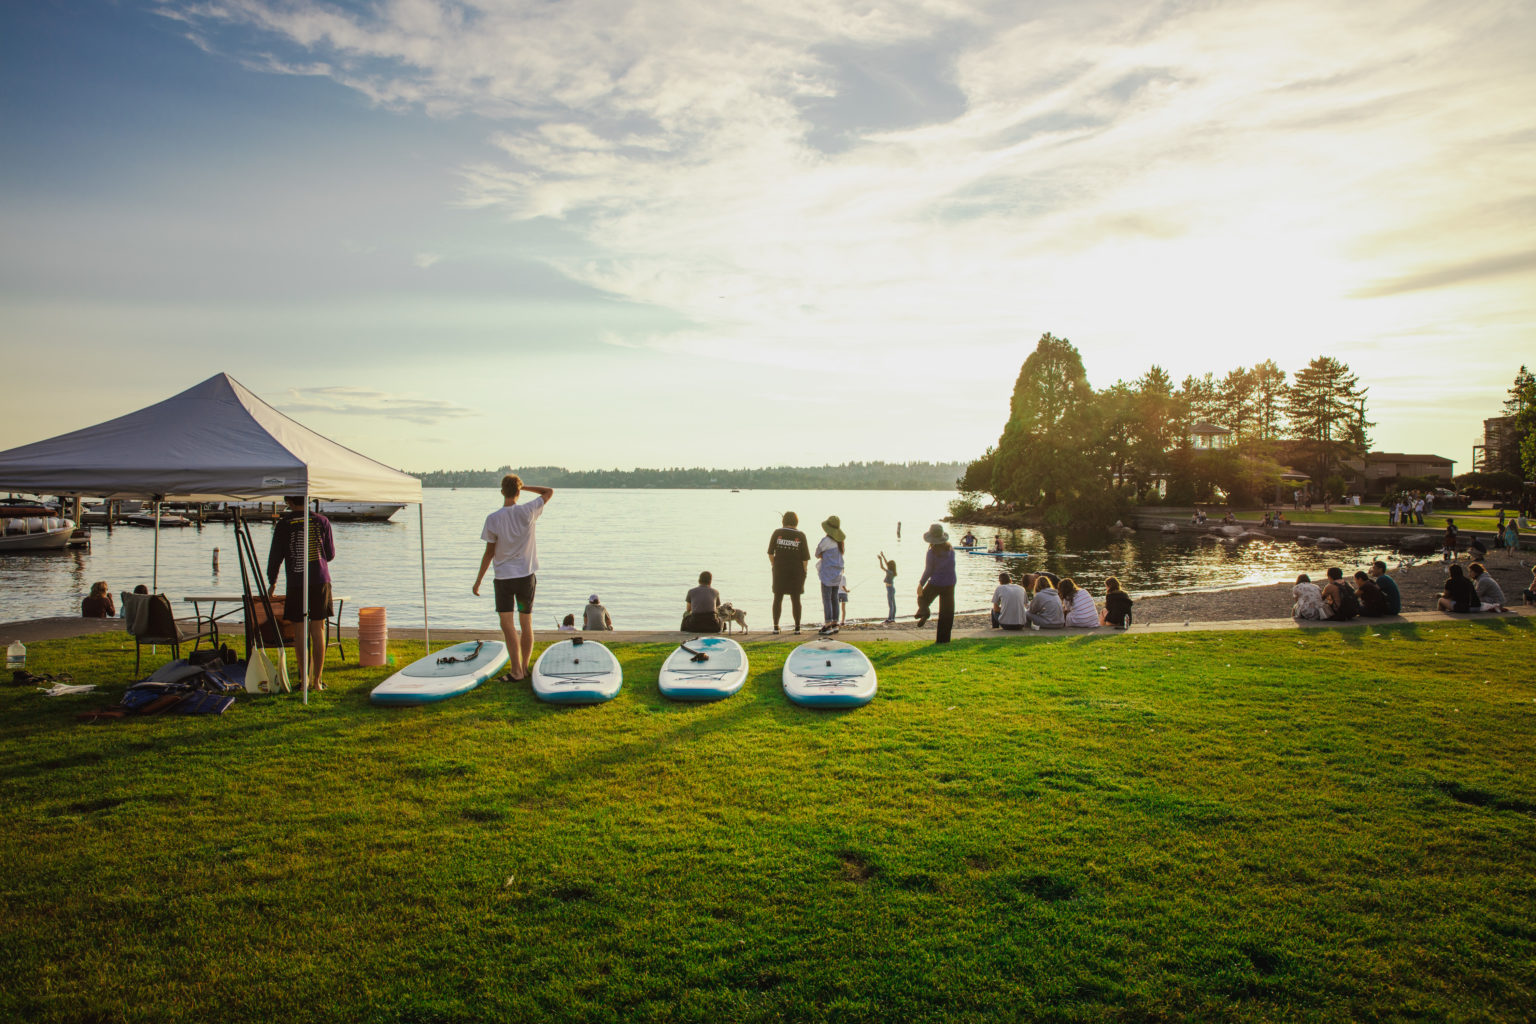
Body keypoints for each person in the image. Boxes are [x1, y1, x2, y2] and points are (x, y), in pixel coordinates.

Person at [473, 474, 554, 683]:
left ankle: (517, 670)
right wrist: (524, 487)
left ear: (502, 492)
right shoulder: (528, 510)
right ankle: (523, 669)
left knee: (507, 625)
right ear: (518, 492)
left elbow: (489, 552)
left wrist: (478, 580)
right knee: (526, 623)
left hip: (504, 579)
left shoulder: (493, 518)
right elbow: (548, 491)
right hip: (526, 576)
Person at [267, 495, 336, 691]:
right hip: (320, 580)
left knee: (299, 630)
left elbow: (275, 555)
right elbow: (330, 554)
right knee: (318, 628)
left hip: (296, 581)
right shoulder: (322, 521)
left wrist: (272, 581)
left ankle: (304, 679)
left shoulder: (284, 524)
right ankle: (317, 681)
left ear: (289, 501)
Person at [767, 511, 810, 634]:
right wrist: (805, 571)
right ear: (796, 522)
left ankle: (776, 626)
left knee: (777, 597)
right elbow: (805, 558)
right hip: (796, 571)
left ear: (783, 521)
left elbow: (770, 553)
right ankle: (797, 627)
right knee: (796, 598)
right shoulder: (801, 535)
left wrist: (774, 564)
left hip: (779, 570)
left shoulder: (777, 533)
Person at [914, 524, 957, 642]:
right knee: (947, 612)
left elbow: (928, 570)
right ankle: (943, 640)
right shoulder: (950, 550)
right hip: (950, 582)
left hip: (936, 583)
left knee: (922, 598)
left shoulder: (931, 553)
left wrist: (920, 584)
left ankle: (925, 612)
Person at [814, 516, 846, 634]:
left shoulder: (825, 541)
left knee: (826, 599)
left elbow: (817, 553)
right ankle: (835, 623)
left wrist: (824, 555)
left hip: (827, 574)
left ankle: (827, 625)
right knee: (834, 598)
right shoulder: (840, 543)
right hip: (837, 574)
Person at [877, 553, 897, 625]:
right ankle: (892, 618)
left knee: (890, 604)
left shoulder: (890, 572)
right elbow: (887, 564)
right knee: (893, 604)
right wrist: (883, 556)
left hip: (890, 589)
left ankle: (890, 618)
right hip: (890, 588)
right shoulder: (892, 571)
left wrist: (880, 560)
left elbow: (882, 567)